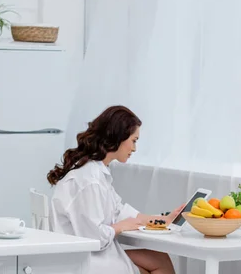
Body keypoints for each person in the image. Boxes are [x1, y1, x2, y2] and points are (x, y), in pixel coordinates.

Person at [47, 105, 184, 274]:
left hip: (91, 256)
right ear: (119, 137)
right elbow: (94, 238)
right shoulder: (90, 180)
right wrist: (119, 227)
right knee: (154, 265)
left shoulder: (97, 172)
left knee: (159, 258)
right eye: (134, 141)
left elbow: (119, 210)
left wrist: (163, 220)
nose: (134, 148)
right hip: (84, 262)